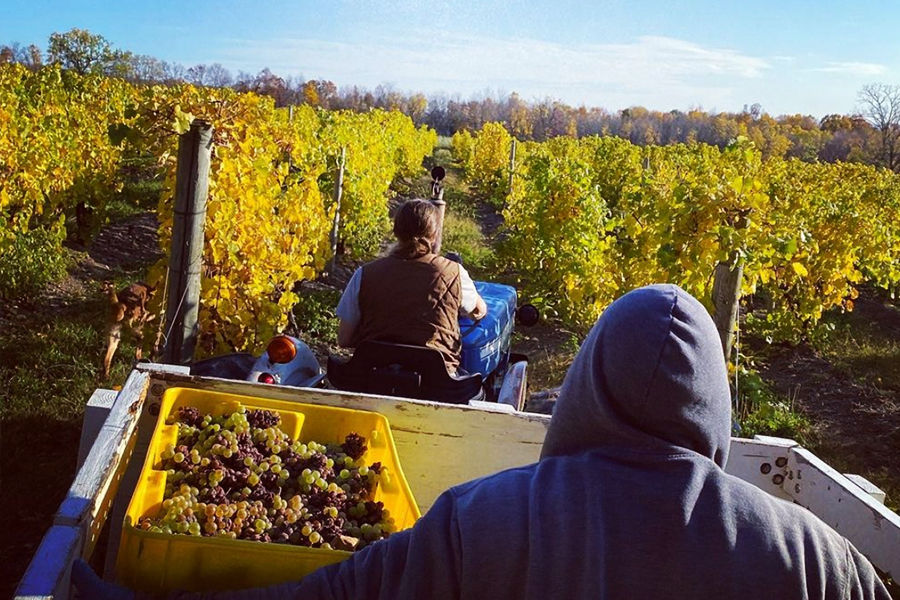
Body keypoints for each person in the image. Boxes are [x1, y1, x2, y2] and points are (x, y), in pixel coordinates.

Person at [73, 284, 890, 599]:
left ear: (586, 392)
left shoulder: (480, 524)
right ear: (716, 402)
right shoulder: (821, 562)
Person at [335, 198, 486, 374]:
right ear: (435, 234)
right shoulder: (454, 273)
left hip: (375, 375)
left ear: (396, 231)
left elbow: (344, 339)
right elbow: (478, 312)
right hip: (435, 382)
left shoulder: (364, 274)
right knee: (476, 391)